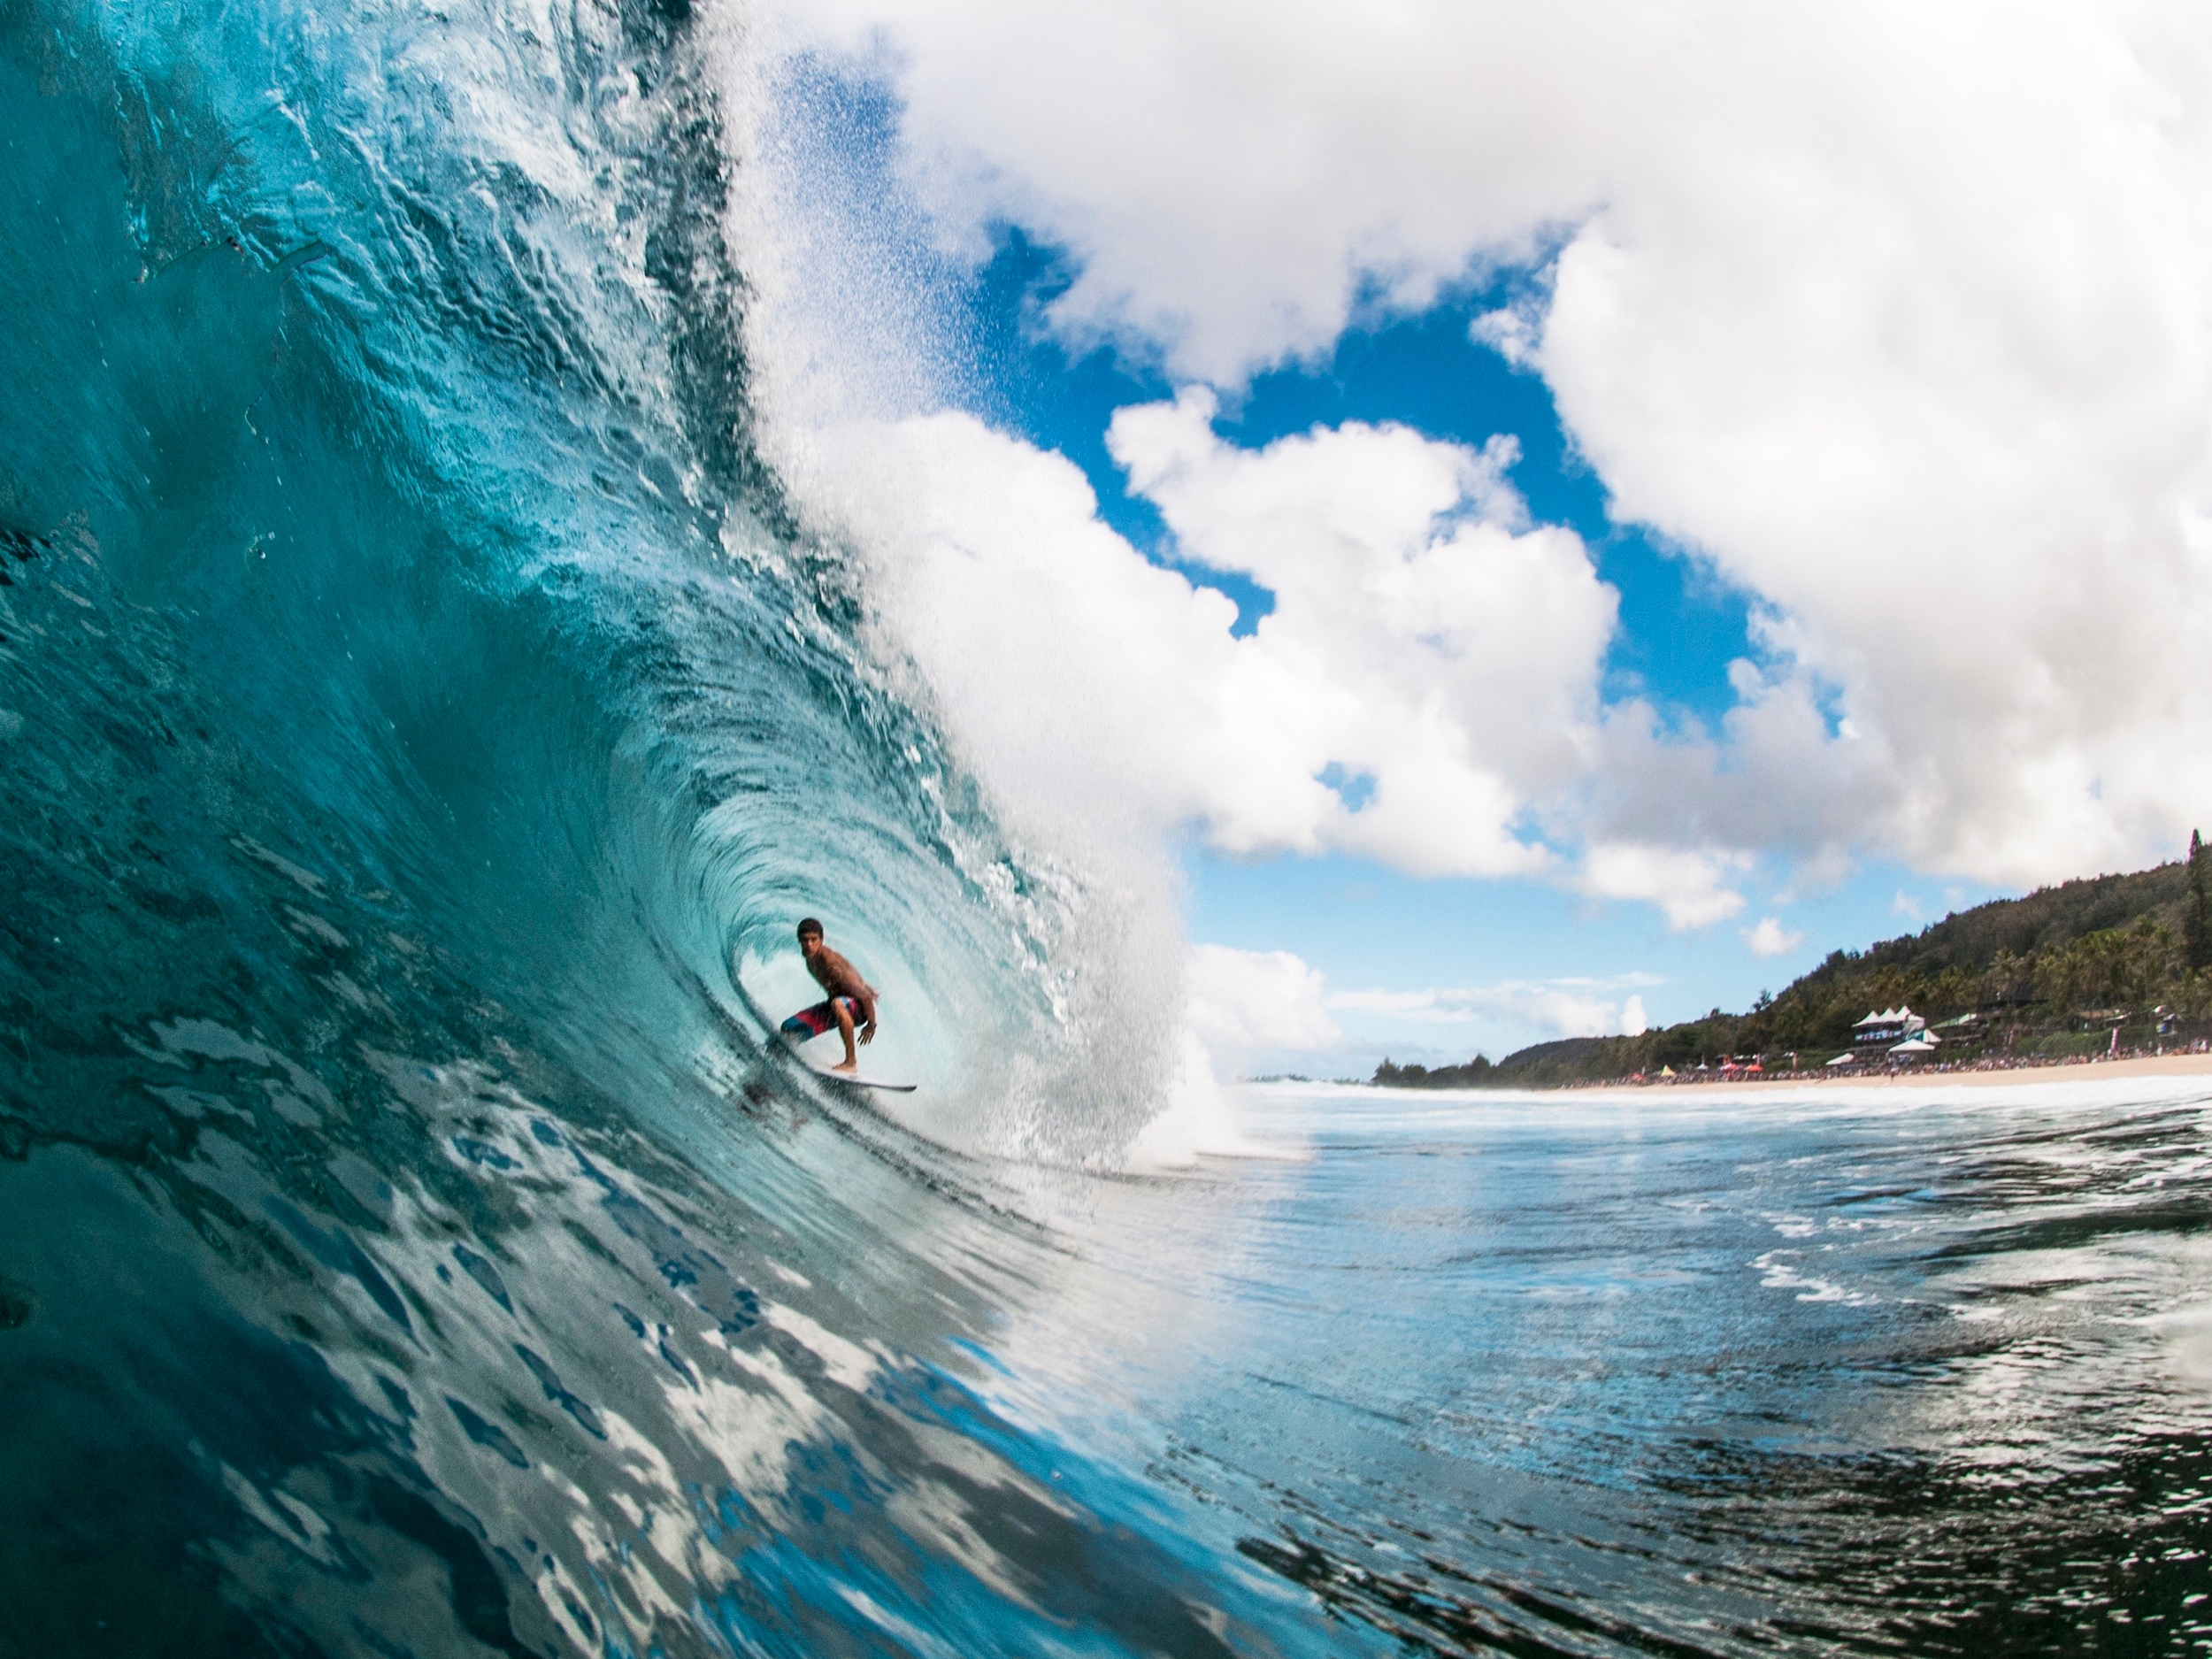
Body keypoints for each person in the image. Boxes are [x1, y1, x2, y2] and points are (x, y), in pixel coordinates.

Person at [779, 918, 879, 1073]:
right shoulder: (810, 961)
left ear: (821, 940)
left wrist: (871, 1025)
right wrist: (862, 983)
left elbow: (865, 996)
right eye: (805, 940)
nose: (809, 945)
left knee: (837, 1004)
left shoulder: (831, 963)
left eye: (814, 940)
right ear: (799, 940)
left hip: (858, 1010)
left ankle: (851, 1062)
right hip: (836, 1007)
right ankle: (783, 1061)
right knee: (787, 1029)